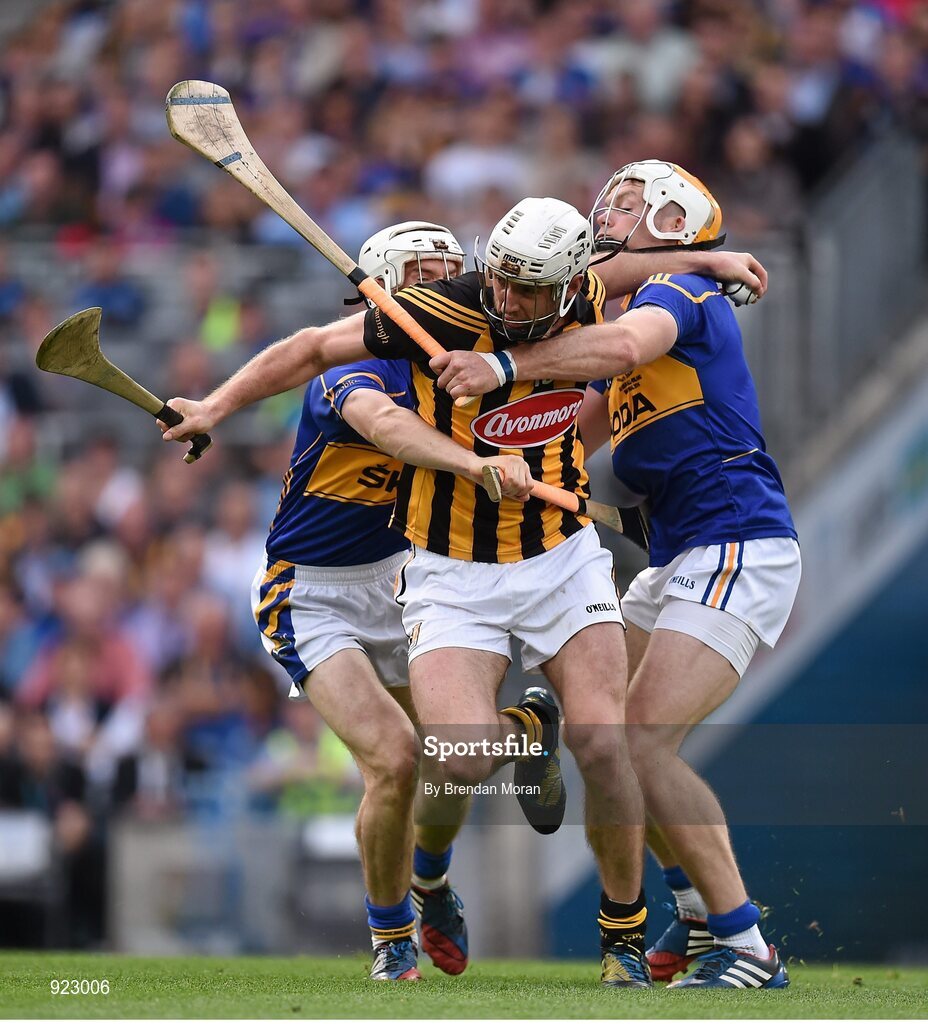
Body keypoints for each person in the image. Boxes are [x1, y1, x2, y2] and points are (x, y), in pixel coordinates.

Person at [161, 205, 770, 988]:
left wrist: (712, 263)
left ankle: (623, 936)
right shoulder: (433, 318)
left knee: (606, 741)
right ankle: (428, 879)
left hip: (557, 557)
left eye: (526, 290)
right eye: (499, 283)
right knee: (457, 756)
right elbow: (333, 367)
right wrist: (214, 407)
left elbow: (620, 276)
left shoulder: (580, 294)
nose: (505, 301)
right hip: (441, 572)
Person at [431, 161, 800, 990]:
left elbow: (624, 344)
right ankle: (698, 908)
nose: (607, 209)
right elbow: (565, 442)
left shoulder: (677, 296)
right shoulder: (626, 319)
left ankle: (745, 944)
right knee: (609, 737)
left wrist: (503, 368)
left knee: (640, 739)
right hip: (678, 558)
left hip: (737, 544)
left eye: (629, 203)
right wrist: (480, 460)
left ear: (675, 223)